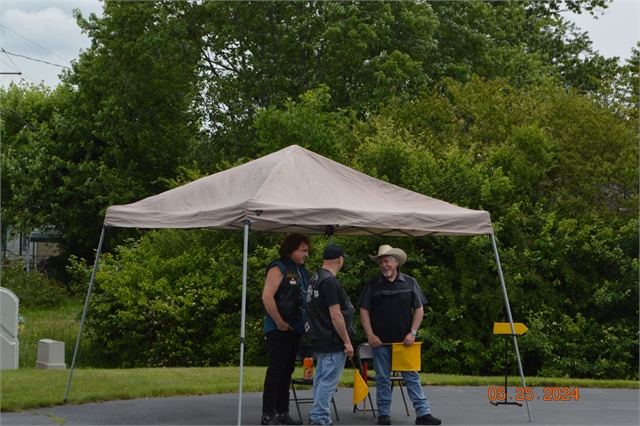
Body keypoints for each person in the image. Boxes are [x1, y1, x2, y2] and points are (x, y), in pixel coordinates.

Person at [357, 245, 442, 426]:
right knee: (382, 379)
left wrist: (413, 333)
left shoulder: (410, 283)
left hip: (405, 343)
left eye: (386, 261)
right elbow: (363, 311)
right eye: (381, 262)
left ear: (396, 262)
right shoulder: (372, 285)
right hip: (380, 343)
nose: (383, 265)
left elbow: (419, 309)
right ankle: (383, 415)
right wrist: (370, 335)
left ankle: (423, 413)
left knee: (412, 378)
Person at [261, 233, 312, 425]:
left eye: (307, 250)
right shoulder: (278, 267)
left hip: (296, 327)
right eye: (303, 250)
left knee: (287, 369)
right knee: (276, 368)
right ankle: (268, 414)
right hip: (278, 327)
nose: (306, 254)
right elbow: (267, 297)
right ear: (291, 250)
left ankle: (282, 411)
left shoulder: (302, 271)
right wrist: (280, 322)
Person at [305, 244, 356, 426]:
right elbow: (335, 314)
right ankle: (319, 417)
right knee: (328, 381)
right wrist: (347, 341)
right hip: (332, 339)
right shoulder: (330, 282)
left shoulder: (315, 278)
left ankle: (322, 417)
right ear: (339, 259)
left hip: (319, 337)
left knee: (320, 379)